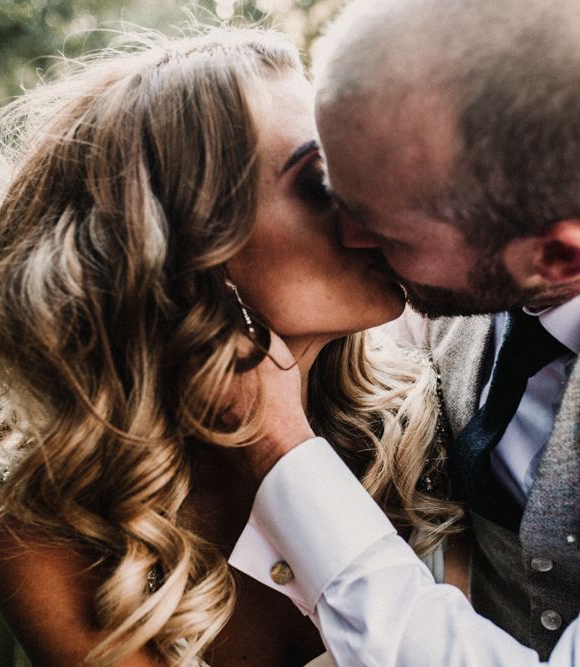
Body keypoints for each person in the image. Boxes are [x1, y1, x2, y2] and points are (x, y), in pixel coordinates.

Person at [0, 27, 464, 666]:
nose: (372, 211)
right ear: (178, 250)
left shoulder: (429, 422)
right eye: (322, 183)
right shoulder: (46, 531)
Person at [229, 0, 580, 665]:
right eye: (330, 189)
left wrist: (280, 448)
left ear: (559, 259)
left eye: (386, 231)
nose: (349, 237)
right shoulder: (411, 347)